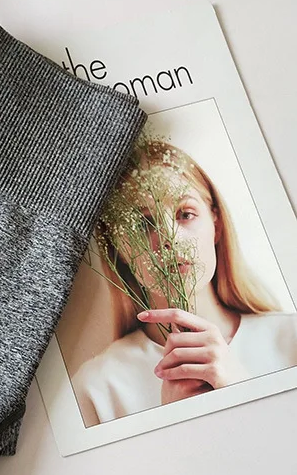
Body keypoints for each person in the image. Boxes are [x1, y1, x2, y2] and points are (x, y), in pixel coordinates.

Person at [73, 138, 297, 427]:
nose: (170, 238)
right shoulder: (97, 388)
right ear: (119, 250)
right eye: (144, 224)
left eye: (186, 214)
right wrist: (173, 423)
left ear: (216, 224)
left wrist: (243, 389)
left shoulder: (290, 339)